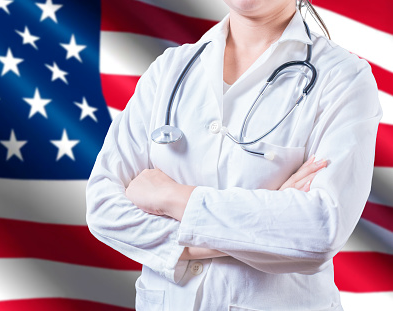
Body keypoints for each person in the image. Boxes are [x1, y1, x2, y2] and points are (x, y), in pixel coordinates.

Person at [86, 0, 382, 310]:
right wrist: (262, 232)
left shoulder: (343, 78)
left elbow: (321, 227)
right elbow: (104, 207)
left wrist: (172, 197)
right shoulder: (169, 70)